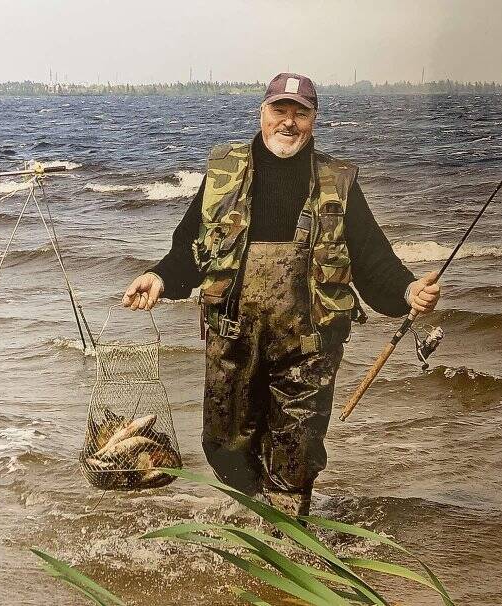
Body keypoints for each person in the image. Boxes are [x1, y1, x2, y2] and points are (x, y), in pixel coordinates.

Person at [122, 73, 440, 516]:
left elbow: (373, 259)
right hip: (232, 339)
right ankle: (261, 519)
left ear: (313, 120)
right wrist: (159, 277)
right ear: (263, 113)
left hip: (309, 346)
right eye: (280, 110)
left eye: (300, 113)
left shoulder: (338, 182)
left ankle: (287, 544)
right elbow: (190, 248)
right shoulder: (222, 173)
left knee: (296, 455)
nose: (288, 123)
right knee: (223, 448)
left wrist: (408, 290)